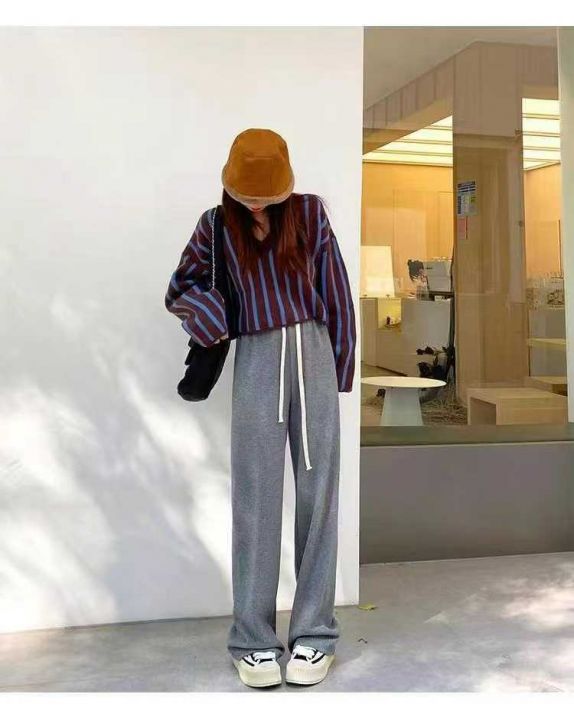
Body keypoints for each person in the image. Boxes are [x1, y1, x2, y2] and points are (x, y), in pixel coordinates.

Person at [165, 128, 356, 689]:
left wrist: (340, 368)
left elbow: (336, 291)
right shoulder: (214, 225)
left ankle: (315, 634)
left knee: (319, 495)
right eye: (246, 194)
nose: (255, 204)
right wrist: (214, 319)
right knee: (255, 498)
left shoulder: (310, 214)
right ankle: (252, 640)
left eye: (265, 195)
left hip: (313, 353)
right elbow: (180, 288)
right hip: (256, 358)